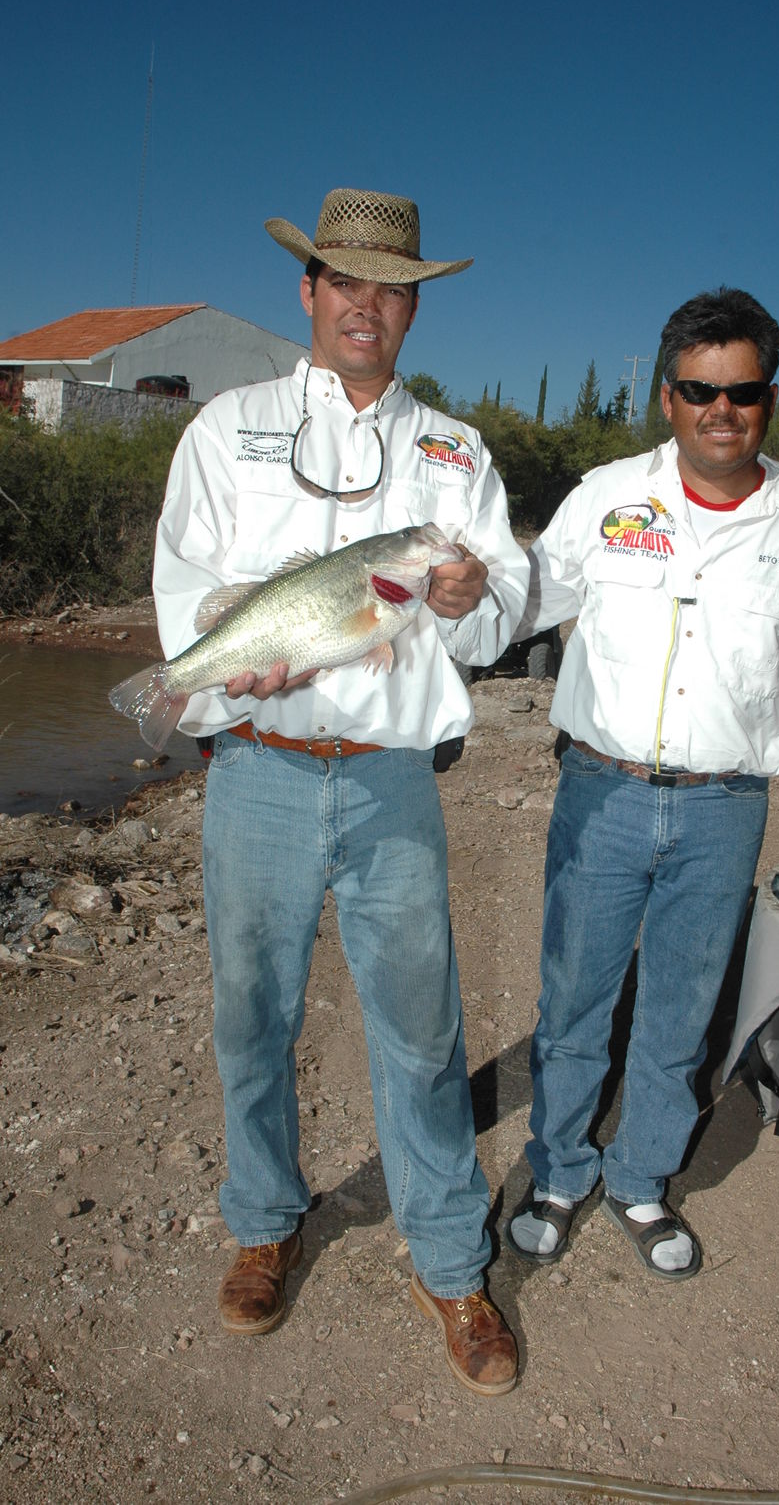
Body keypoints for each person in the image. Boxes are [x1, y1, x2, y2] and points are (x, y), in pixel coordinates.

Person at [152, 187, 527, 1396]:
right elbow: (188, 585)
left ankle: (451, 1258)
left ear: (416, 307)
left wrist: (472, 601)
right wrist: (212, 686)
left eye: (393, 287)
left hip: (392, 786)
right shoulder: (225, 426)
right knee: (249, 1018)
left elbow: (502, 605)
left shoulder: (457, 453)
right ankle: (266, 1221)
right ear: (307, 292)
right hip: (255, 772)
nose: (368, 305)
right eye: (345, 282)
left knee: (421, 1034)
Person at [506, 287, 779, 1279]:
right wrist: (436, 586)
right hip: (602, 794)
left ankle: (638, 1179)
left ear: (767, 398)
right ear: (665, 397)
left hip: (725, 808)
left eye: (743, 391)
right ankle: (556, 1171)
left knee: (679, 1009)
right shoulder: (605, 500)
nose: (723, 409)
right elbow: (517, 604)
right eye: (699, 390)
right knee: (575, 1000)